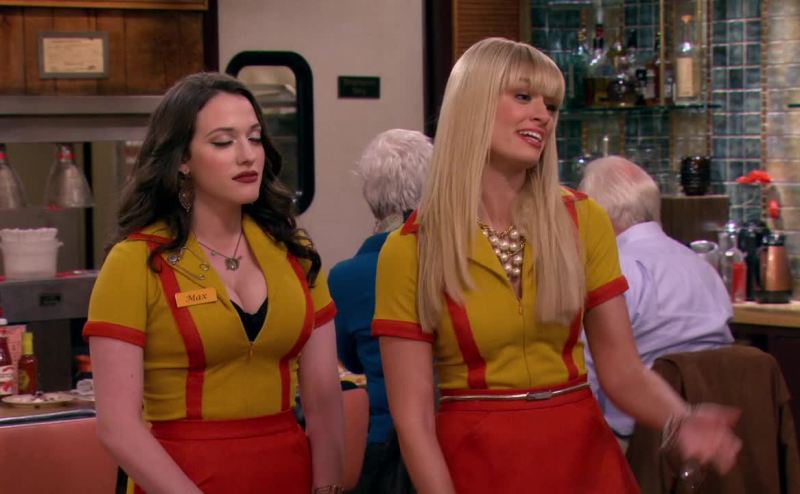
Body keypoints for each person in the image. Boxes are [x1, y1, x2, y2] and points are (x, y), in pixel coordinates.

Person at [371, 37, 741, 493]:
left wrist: (681, 419)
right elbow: (413, 421)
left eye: (550, 105)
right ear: (473, 104)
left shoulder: (584, 220)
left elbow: (622, 371)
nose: (542, 115)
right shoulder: (411, 248)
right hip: (478, 461)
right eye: (523, 96)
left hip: (584, 456)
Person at [83, 72, 344, 494]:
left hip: (289, 475)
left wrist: (327, 490)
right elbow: (117, 427)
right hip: (181, 481)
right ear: (182, 160)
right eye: (223, 142)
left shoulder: (294, 254)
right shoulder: (135, 262)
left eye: (255, 138)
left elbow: (326, 404)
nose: (247, 155)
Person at [578, 155, 734, 445]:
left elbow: (584, 378)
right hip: (708, 432)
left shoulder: (612, 271)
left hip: (636, 441)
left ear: (596, 214)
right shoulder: (702, 266)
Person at [328, 129, 431, 493]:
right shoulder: (458, 262)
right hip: (450, 434)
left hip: (385, 450)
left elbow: (350, 363)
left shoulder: (345, 278)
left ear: (370, 196)